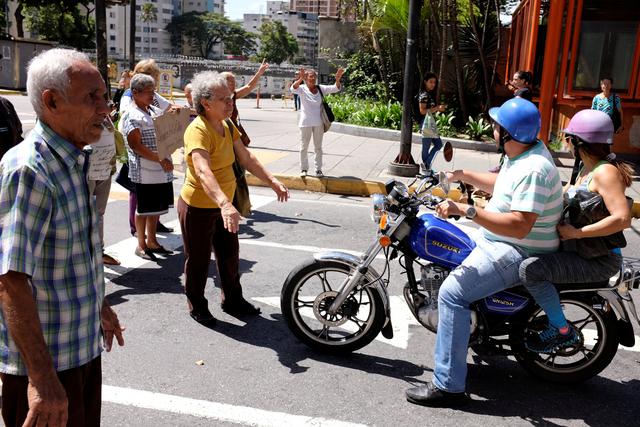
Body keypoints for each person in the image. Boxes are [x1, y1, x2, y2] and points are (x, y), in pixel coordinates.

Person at [405, 98, 563, 407]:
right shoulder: (522, 154)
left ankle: (448, 385)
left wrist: (467, 210)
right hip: (500, 239)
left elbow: (519, 226)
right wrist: (460, 174)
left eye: (497, 126)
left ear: (508, 134)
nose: (492, 129)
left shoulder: (534, 169)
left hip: (517, 248)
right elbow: (503, 184)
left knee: (452, 293)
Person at [0, 48, 124, 426]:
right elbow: (10, 280)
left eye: (105, 96)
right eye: (92, 97)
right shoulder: (30, 171)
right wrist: (41, 379)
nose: (105, 108)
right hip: (49, 369)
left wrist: (98, 305)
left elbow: (71, 256)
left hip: (81, 353)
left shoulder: (71, 158)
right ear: (52, 101)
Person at [178, 71, 289, 325]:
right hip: (199, 207)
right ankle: (197, 303)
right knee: (198, 260)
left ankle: (232, 300)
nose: (231, 103)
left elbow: (246, 157)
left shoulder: (227, 125)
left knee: (229, 255)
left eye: (230, 98)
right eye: (224, 100)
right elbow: (203, 172)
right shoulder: (198, 130)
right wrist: (225, 204)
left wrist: (272, 181)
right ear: (206, 103)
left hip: (224, 206)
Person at [519, 109, 632, 353]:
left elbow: (622, 218)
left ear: (579, 142)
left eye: (569, 138)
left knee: (530, 271)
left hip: (599, 260)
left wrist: (576, 233)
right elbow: (560, 197)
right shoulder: (585, 169)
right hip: (582, 252)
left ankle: (562, 332)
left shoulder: (605, 172)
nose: (567, 143)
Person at [120, 74, 175, 261]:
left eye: (153, 91)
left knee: (156, 208)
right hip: (145, 171)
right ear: (135, 93)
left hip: (161, 169)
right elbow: (136, 146)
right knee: (143, 209)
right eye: (148, 92)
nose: (153, 95)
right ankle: (141, 245)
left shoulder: (152, 110)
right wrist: (159, 158)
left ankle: (152, 241)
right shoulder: (132, 114)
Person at [290, 67, 344, 177]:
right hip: (305, 123)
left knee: (318, 147)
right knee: (303, 147)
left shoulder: (320, 88)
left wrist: (337, 79)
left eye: (315, 77)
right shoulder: (302, 88)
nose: (313, 79)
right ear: (306, 78)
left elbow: (335, 88)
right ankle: (304, 169)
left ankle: (318, 169)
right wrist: (300, 78)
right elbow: (293, 88)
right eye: (311, 77)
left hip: (319, 123)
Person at [88, 115, 124, 266]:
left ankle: (99, 252)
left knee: (99, 213)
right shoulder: (81, 112)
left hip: (105, 170)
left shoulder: (105, 115)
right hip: (88, 172)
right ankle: (87, 253)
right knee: (85, 214)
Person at [221, 58, 269, 146]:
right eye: (231, 83)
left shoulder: (233, 95)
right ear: (222, 83)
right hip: (221, 135)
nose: (234, 85)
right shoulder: (214, 98)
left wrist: (259, 73)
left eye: (234, 82)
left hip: (233, 134)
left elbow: (249, 86)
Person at [417, 73, 446, 171]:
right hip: (425, 123)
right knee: (428, 146)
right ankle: (426, 167)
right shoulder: (424, 95)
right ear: (425, 82)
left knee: (438, 144)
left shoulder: (428, 94)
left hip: (430, 123)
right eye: (431, 82)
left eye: (434, 82)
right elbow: (422, 111)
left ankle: (426, 165)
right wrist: (437, 108)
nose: (433, 84)